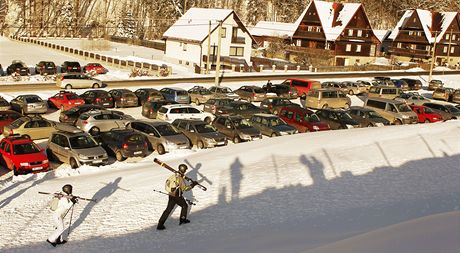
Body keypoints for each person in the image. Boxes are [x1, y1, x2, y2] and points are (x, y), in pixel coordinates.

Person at [157, 164, 197, 230]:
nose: (185, 171)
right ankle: (182, 220)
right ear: (183, 170)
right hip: (177, 196)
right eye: (185, 170)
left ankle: (160, 224)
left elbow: (167, 183)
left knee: (168, 210)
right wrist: (192, 185)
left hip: (171, 195)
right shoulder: (180, 178)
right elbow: (185, 188)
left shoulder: (173, 175)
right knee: (184, 206)